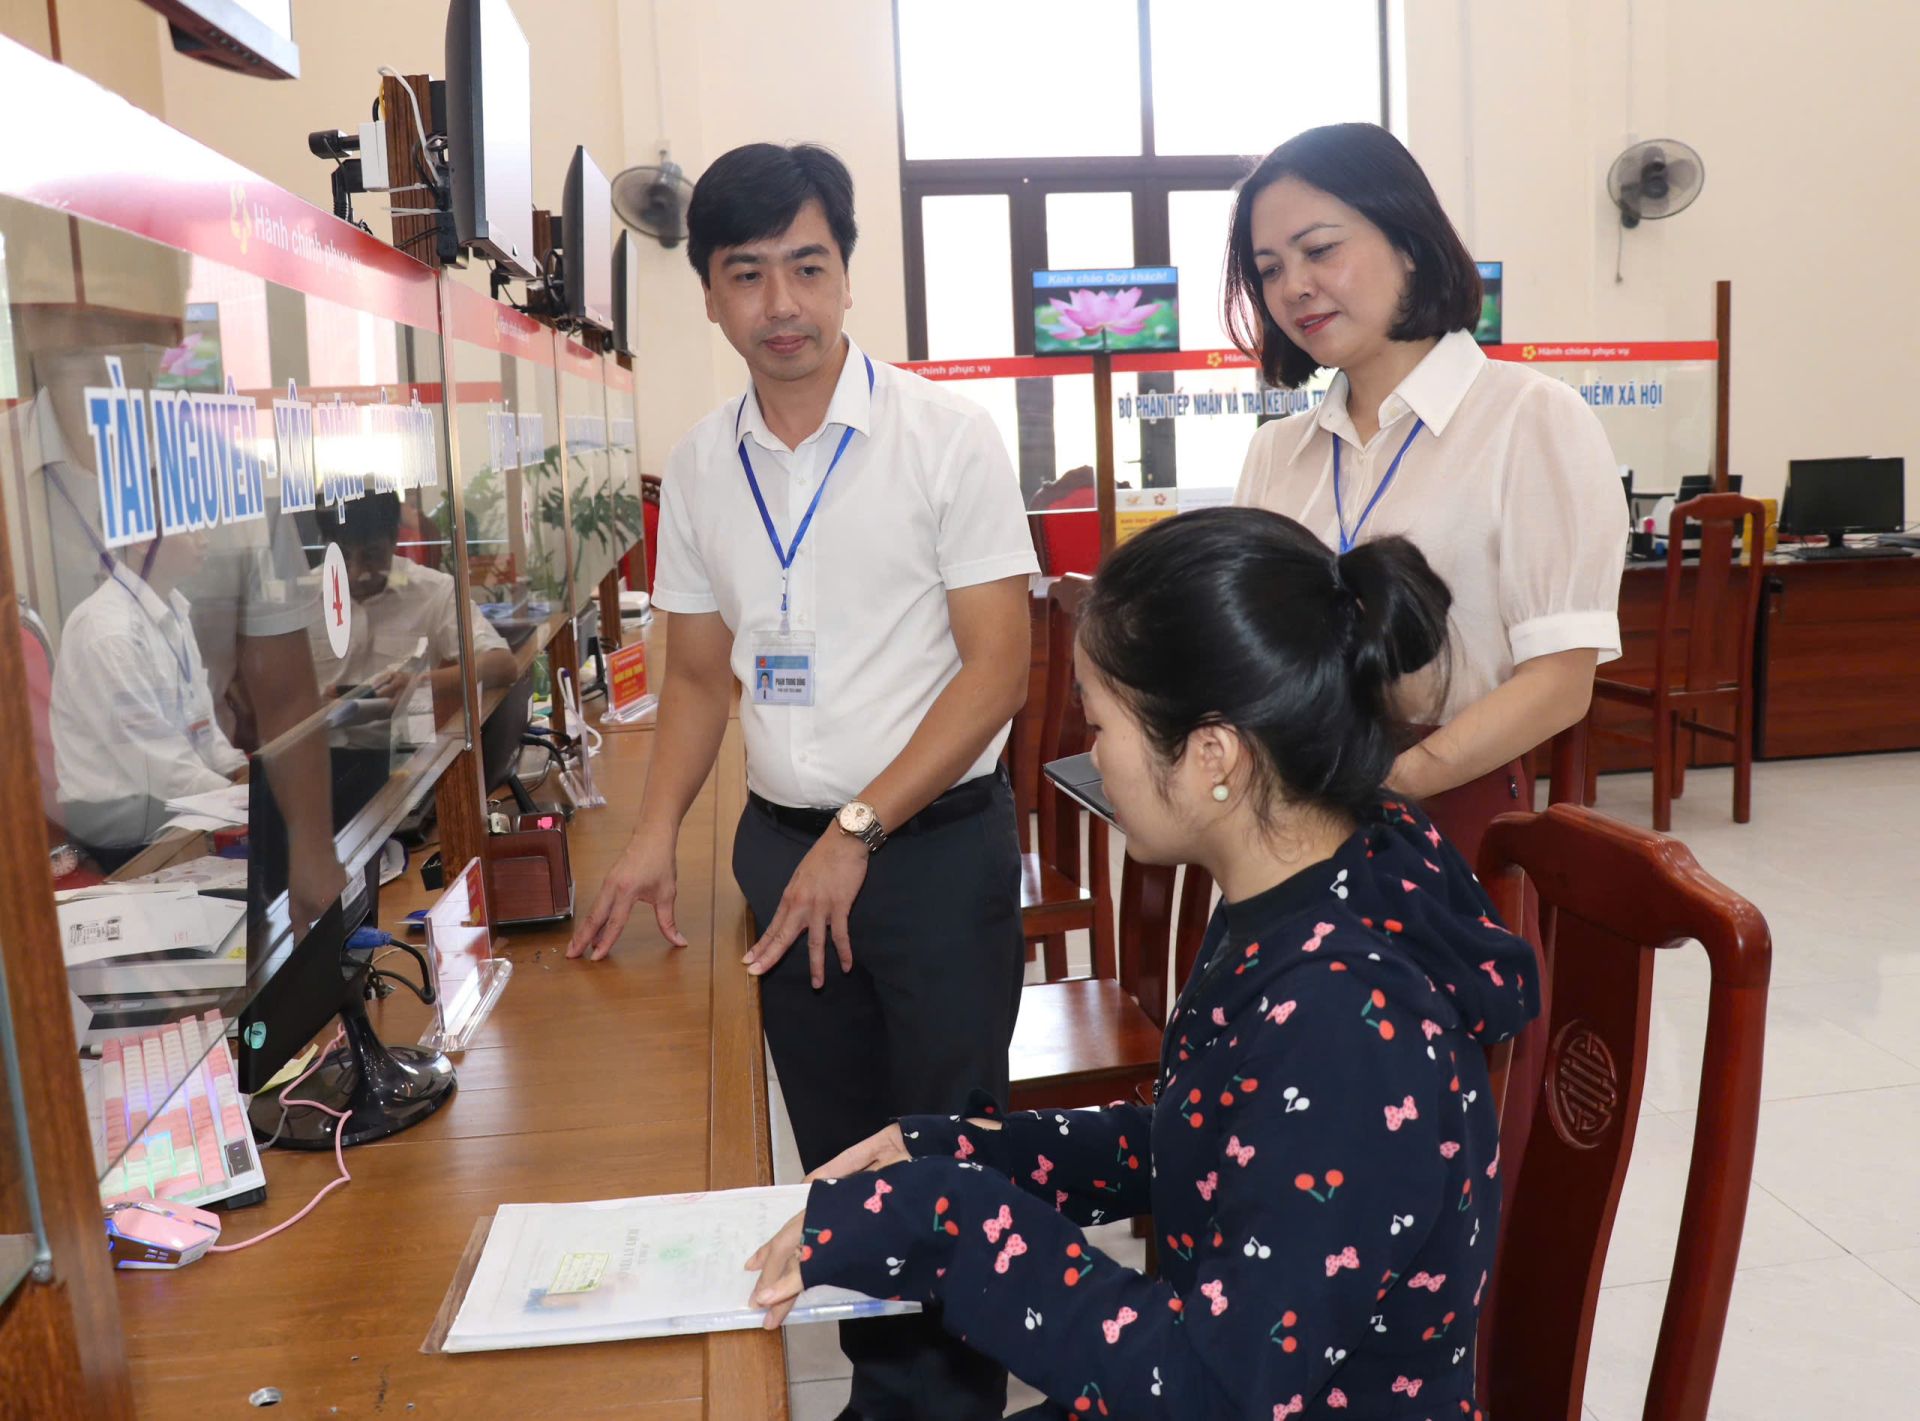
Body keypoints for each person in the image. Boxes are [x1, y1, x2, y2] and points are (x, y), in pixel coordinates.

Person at [748, 508, 1539, 1420]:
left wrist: (949, 1222)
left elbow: (1206, 1391)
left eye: (1100, 724)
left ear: (1213, 755)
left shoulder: (1344, 1020)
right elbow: (1199, 1138)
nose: (1090, 755)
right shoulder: (1311, 883)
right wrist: (955, 1150)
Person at [567, 142, 1038, 1421]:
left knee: (940, 1145)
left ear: (846, 276)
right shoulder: (699, 464)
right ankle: (886, 1391)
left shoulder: (943, 438)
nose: (783, 303)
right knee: (838, 1154)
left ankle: (946, 1405)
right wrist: (654, 831)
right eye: (749, 274)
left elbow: (997, 669)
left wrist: (860, 826)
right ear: (711, 297)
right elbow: (699, 676)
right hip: (783, 852)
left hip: (931, 851)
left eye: (808, 267)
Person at [1228, 123, 1627, 868]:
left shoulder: (1530, 419)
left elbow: (1559, 681)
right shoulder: (1275, 452)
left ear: (1409, 243)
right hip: (1287, 808)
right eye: (1269, 268)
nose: (1294, 287)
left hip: (1450, 803)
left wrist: (1388, 784)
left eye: (1320, 250)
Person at [49, 528, 244, 866]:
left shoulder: (173, 610)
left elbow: (201, 726)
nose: (204, 538)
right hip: (121, 826)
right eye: (189, 528)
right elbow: (157, 763)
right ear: (141, 539)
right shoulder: (107, 629)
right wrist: (237, 796)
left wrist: (239, 769)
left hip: (171, 800)